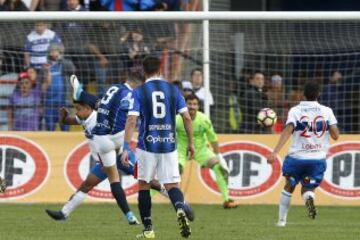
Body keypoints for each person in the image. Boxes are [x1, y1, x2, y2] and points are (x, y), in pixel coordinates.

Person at [45, 89, 194, 222]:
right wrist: (63, 117)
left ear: (88, 108)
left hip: (120, 156)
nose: (76, 113)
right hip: (105, 162)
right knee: (87, 184)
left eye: (78, 109)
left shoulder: (100, 120)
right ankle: (63, 213)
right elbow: (69, 120)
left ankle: (181, 203)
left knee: (149, 181)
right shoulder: (85, 117)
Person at [121, 55, 194, 239]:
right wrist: (191, 142)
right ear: (161, 69)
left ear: (144, 71)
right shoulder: (173, 90)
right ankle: (179, 208)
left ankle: (148, 229)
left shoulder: (139, 91)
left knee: (144, 185)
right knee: (171, 184)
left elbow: (131, 119)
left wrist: (125, 146)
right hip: (169, 144)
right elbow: (186, 117)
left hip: (147, 145)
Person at [267, 81, 340, 227]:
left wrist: (275, 152)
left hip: (297, 158)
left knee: (289, 186)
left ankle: (281, 222)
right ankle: (309, 197)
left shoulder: (295, 111)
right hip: (317, 159)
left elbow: (288, 130)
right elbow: (335, 135)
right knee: (308, 187)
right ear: (318, 94)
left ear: (303, 95)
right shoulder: (327, 111)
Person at [176, 94, 236, 209]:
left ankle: (226, 200)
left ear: (198, 106)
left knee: (219, 167)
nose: (192, 107)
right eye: (189, 104)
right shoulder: (177, 119)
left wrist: (219, 156)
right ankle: (153, 197)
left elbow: (212, 138)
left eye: (195, 104)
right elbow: (170, 136)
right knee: (174, 172)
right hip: (182, 149)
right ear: (185, 105)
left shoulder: (203, 119)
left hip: (201, 150)